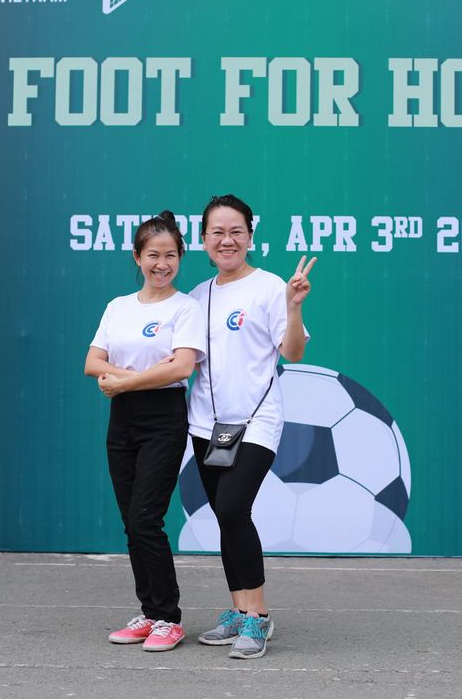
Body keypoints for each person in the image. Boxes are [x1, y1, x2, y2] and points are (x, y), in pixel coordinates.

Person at [186, 194, 317, 660]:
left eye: (236, 231)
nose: (227, 240)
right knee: (223, 515)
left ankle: (258, 616)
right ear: (204, 239)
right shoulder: (197, 296)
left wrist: (294, 306)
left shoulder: (269, 287)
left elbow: (293, 352)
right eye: (217, 232)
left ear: (250, 236)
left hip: (257, 421)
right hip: (206, 424)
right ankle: (240, 610)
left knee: (233, 507)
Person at [84, 211, 204, 653]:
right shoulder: (118, 307)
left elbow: (181, 367)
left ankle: (169, 618)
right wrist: (132, 378)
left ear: (180, 258)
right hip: (123, 419)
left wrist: (122, 381)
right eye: (153, 255)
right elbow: (92, 362)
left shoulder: (185, 308)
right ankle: (150, 613)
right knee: (130, 523)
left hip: (163, 418)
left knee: (145, 519)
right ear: (137, 257)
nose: (162, 264)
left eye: (170, 255)